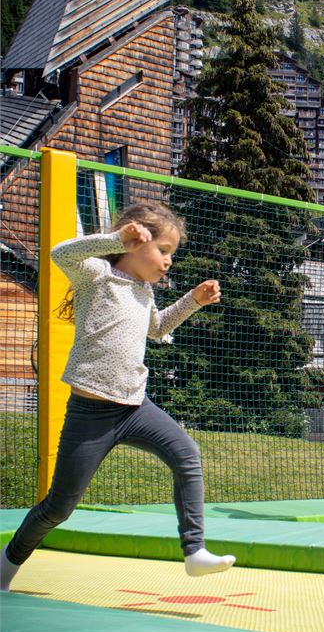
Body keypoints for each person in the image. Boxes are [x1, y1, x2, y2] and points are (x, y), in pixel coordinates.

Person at [1, 202, 236, 592]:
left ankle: (194, 551)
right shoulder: (97, 275)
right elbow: (60, 253)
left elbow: (157, 329)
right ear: (134, 240)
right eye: (164, 251)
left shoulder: (144, 292)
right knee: (58, 507)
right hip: (91, 414)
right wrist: (114, 239)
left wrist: (192, 301)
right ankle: (7, 563)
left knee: (187, 454)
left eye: (172, 255)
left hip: (135, 406)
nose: (169, 262)